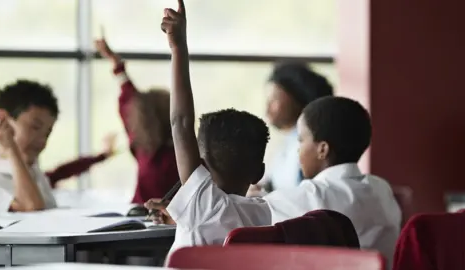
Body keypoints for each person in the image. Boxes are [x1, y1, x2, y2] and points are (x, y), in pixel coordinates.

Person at [144, 0, 271, 254]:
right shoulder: (263, 213)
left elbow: (180, 123)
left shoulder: (204, 207)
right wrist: (183, 213)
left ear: (201, 166)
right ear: (259, 173)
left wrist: (178, 47)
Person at [264, 96, 401, 267]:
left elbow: (248, 213)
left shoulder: (312, 196)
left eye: (301, 140)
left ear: (322, 149)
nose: (298, 149)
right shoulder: (381, 188)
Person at [94, 34, 179, 203]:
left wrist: (116, 64)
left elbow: (129, 98)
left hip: (142, 215)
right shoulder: (183, 156)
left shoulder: (143, 149)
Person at [250, 62, 333, 194]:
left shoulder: (312, 147)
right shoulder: (286, 143)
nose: (267, 107)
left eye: (274, 99)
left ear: (298, 99)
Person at [0, 80, 58, 213]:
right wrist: (11, 148)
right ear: (4, 121)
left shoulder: (34, 171)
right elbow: (32, 207)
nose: (42, 141)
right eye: (34, 127)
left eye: (47, 133)